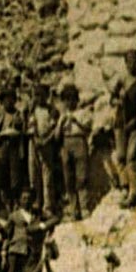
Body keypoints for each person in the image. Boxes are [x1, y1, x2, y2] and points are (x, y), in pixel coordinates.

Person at [112, 51, 136, 207]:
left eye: (135, 61)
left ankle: (135, 192)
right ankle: (124, 185)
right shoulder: (122, 79)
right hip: (121, 122)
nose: (132, 64)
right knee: (120, 156)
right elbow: (112, 97)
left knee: (131, 158)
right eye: (129, 61)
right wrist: (117, 101)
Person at [56, 85, 92, 220]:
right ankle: (73, 210)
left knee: (81, 177)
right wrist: (61, 124)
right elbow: (56, 136)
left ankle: (84, 208)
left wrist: (77, 121)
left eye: (72, 99)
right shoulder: (62, 115)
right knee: (68, 179)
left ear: (76, 100)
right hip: (65, 143)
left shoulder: (83, 113)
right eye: (67, 100)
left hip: (79, 141)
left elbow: (88, 129)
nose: (69, 102)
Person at [27, 82, 59, 217]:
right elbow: (31, 126)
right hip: (34, 144)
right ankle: (35, 204)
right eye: (36, 95)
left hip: (47, 145)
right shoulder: (32, 109)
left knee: (47, 176)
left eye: (41, 95)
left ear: (47, 96)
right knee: (34, 175)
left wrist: (45, 141)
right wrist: (36, 140)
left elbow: (54, 128)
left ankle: (48, 207)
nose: (38, 98)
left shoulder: (51, 110)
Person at [0, 86, 26, 201]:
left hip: (15, 146)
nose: (9, 102)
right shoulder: (0, 115)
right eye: (6, 100)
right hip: (3, 147)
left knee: (15, 175)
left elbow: (20, 130)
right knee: (3, 174)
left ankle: (15, 201)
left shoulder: (18, 114)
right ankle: (6, 202)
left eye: (11, 99)